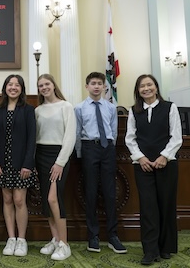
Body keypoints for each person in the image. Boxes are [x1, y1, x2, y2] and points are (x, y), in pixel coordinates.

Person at [125, 74, 182, 265]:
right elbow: (130, 138)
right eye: (142, 86)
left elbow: (176, 137)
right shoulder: (134, 111)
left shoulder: (169, 107)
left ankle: (166, 247)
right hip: (143, 166)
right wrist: (140, 158)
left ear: (156, 88)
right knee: (148, 208)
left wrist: (164, 156)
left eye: (149, 85)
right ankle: (150, 251)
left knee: (166, 205)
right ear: (138, 91)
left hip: (167, 164)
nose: (146, 88)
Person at [74, 72, 127, 254]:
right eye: (93, 83)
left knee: (110, 192)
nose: (96, 86)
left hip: (107, 150)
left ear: (105, 87)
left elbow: (113, 129)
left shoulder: (111, 108)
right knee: (90, 192)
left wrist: (109, 149)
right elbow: (78, 132)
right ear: (87, 86)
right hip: (89, 148)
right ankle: (93, 236)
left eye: (99, 83)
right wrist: (81, 154)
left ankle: (112, 236)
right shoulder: (79, 108)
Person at [0, 74, 36, 257]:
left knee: (19, 200)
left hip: (21, 164)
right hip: (2, 163)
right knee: (7, 199)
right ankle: (11, 239)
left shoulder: (28, 109)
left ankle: (22, 239)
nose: (13, 87)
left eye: (17, 85)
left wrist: (28, 164)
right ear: (5, 87)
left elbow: (32, 138)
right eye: (10, 84)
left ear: (22, 89)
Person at [34, 74, 76, 260]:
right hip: (41, 155)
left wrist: (60, 162)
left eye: (47, 84)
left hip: (59, 155)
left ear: (53, 85)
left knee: (53, 198)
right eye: (40, 85)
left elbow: (70, 137)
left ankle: (64, 244)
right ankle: (55, 239)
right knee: (46, 200)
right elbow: (35, 137)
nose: (44, 87)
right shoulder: (38, 110)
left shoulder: (66, 106)